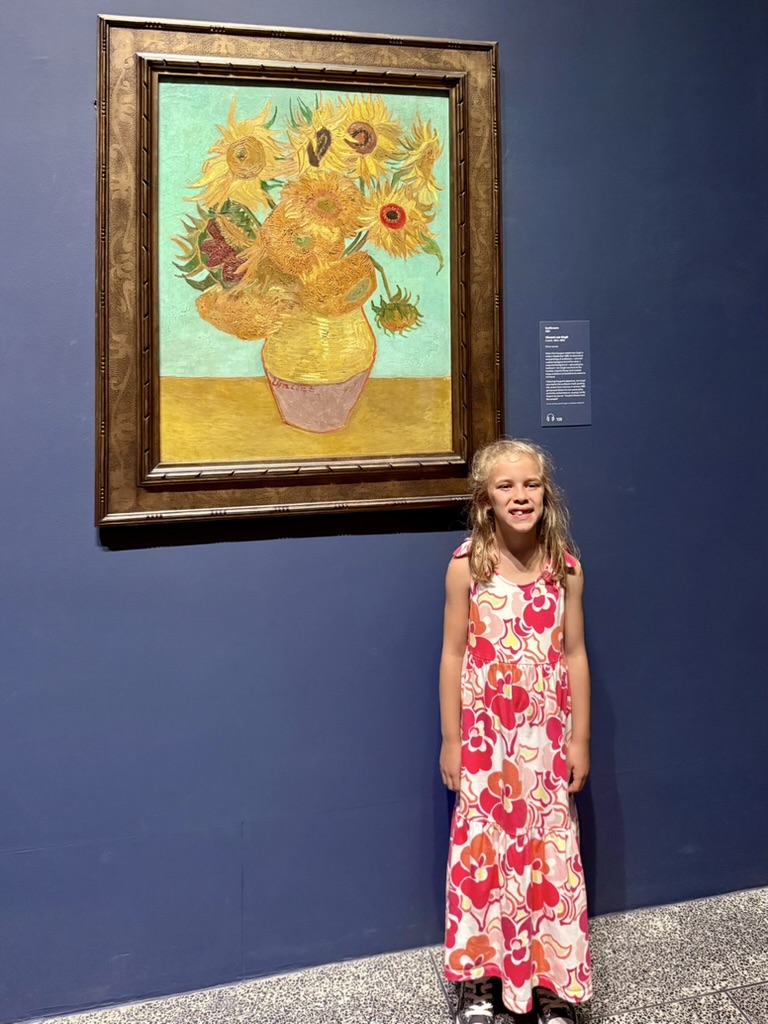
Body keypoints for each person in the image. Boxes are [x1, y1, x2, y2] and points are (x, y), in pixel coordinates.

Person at [440, 439, 592, 1024]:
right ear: (485, 500)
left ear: (546, 495)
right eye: (506, 486)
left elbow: (574, 655)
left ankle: (553, 981)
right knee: (482, 855)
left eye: (531, 484)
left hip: (546, 743)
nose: (520, 496)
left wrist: (580, 740)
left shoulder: (566, 570)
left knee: (549, 857)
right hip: (486, 745)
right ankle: (480, 977)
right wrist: (452, 740)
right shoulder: (466, 567)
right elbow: (453, 655)